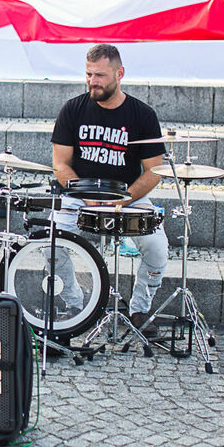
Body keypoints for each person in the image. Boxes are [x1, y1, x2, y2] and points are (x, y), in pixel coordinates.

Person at [51, 44, 169, 335]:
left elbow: (154, 171)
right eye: (89, 74)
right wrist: (87, 198)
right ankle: (77, 306)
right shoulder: (73, 109)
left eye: (101, 75)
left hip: (127, 197)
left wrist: (122, 200)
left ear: (120, 73)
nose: (93, 81)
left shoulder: (142, 115)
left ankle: (140, 308)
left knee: (157, 248)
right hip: (80, 196)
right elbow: (60, 165)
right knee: (51, 244)